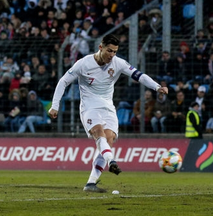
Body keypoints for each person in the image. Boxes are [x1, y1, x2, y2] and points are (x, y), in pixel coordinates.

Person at [49, 34, 168, 193]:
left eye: (115, 52)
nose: (112, 55)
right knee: (99, 134)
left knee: (109, 138)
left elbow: (138, 75)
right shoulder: (83, 64)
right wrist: (55, 105)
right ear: (100, 47)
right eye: (109, 51)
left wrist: (157, 87)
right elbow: (63, 81)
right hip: (89, 107)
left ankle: (91, 183)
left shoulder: (118, 63)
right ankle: (111, 160)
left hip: (108, 108)